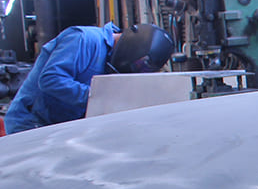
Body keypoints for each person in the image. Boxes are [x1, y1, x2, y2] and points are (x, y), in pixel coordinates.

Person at [4, 22, 174, 135]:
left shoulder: (111, 62)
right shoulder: (83, 39)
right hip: (29, 124)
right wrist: (98, 97)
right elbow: (50, 79)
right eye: (137, 66)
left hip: (59, 128)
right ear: (133, 49)